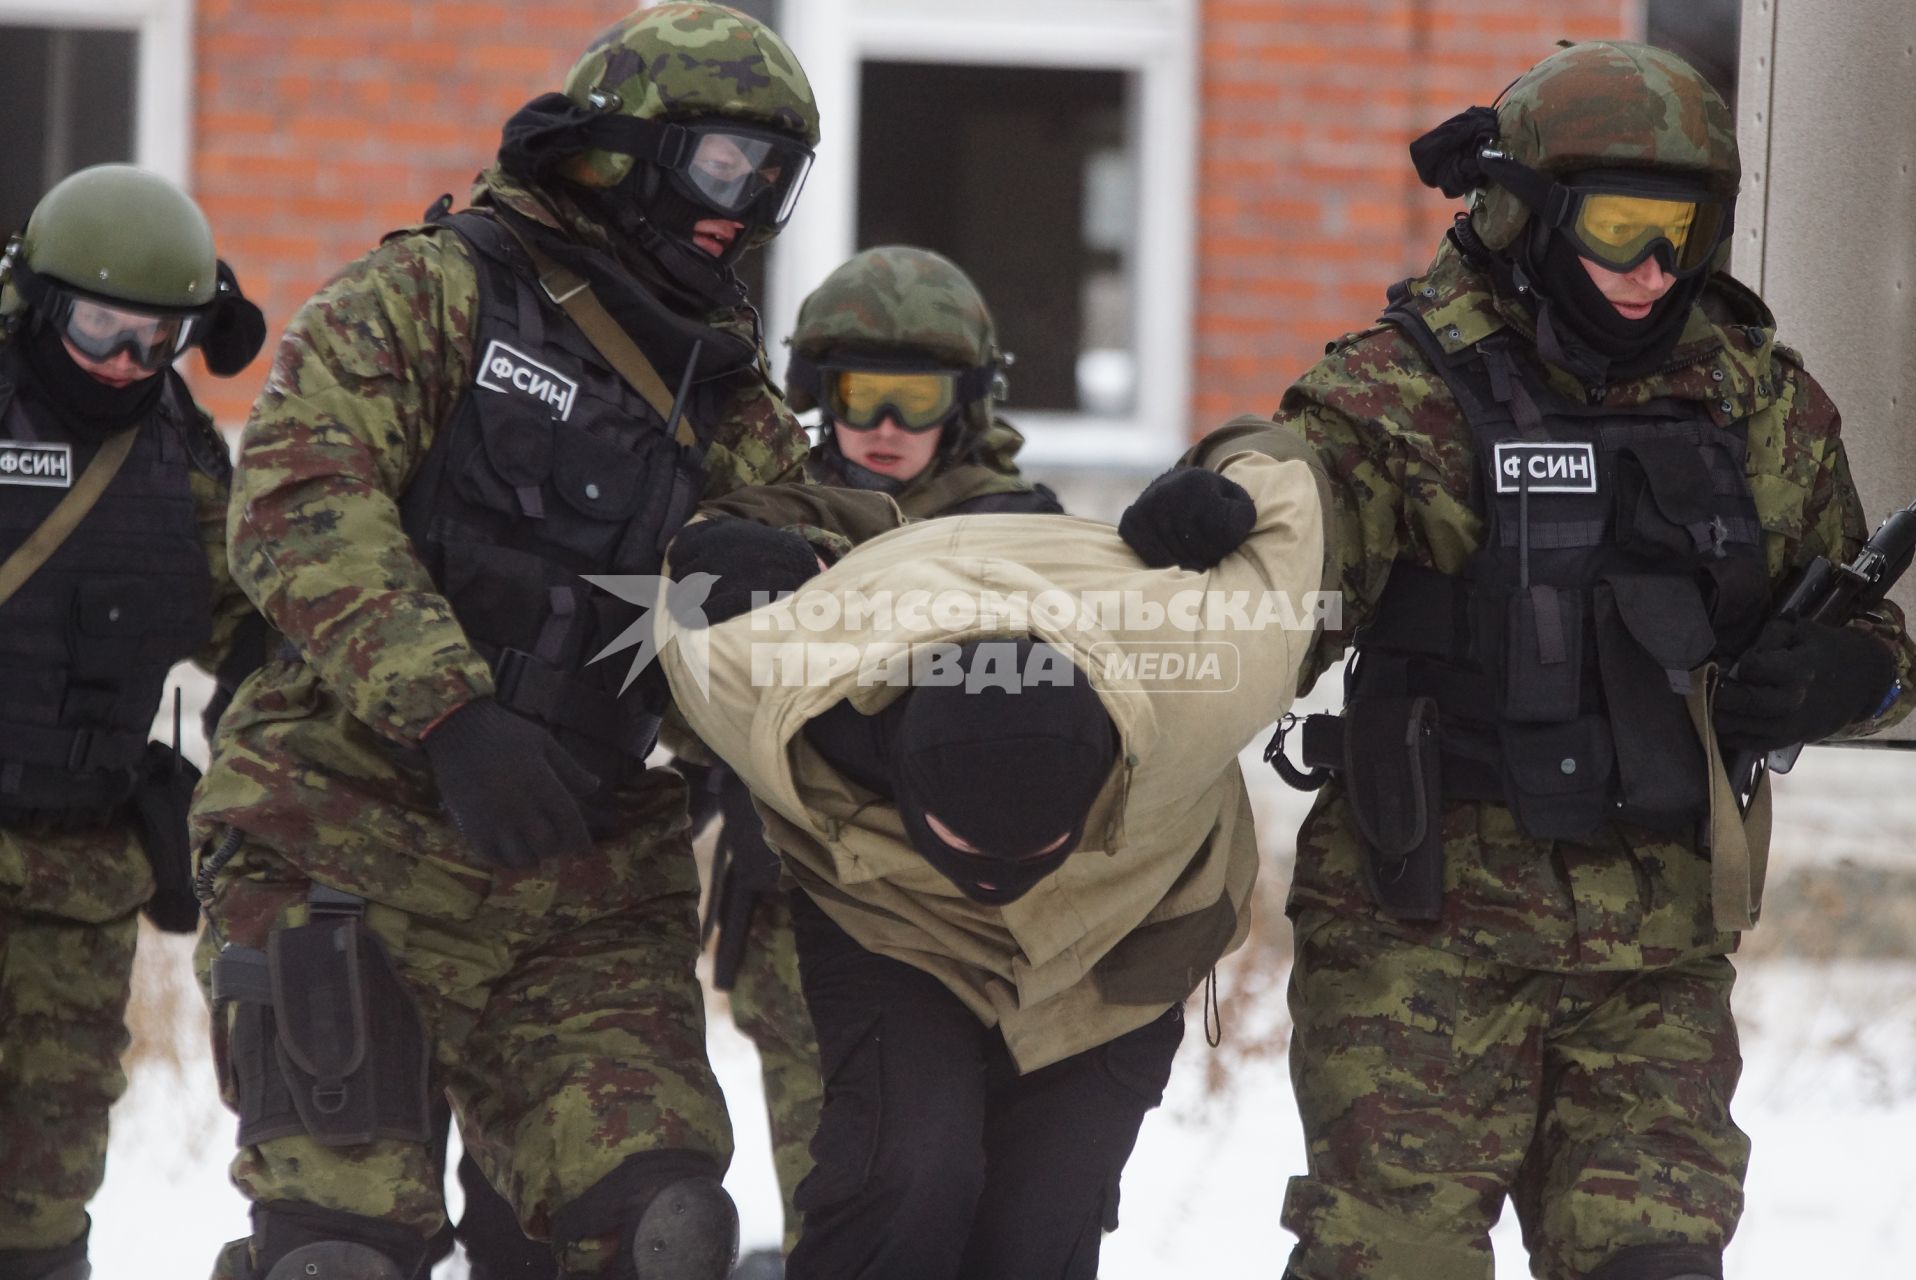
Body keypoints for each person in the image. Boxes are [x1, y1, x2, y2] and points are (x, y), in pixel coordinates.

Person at [188, 6, 897, 1279]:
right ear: (617, 149)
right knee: (340, 1252)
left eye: (779, 177)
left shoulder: (724, 398)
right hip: (340, 832)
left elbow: (837, 601)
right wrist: (451, 715)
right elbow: (297, 496)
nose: (747, 206)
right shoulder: (430, 293)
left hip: (580, 871)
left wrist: (774, 577)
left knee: (659, 1230)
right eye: (728, 162)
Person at [1260, 40, 1915, 1280]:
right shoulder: (1392, 396)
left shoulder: (1754, 401)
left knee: (1654, 1263)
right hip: (1422, 934)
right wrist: (1222, 516)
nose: (1650, 268)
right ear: (1525, 212)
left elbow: (1869, 627)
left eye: (1680, 230)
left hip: (1654, 948)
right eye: (1617, 228)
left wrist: (1857, 676)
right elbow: (1276, 592)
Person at [656, 419, 1333, 1279]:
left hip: (1127, 933)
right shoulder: (769, 679)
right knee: (906, 1174)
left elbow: (1282, 466)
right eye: (965, 847)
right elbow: (689, 561)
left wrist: (1210, 478)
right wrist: (737, 539)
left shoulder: (1213, 670)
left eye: (1043, 846)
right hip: (894, 922)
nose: (998, 886)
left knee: (1042, 1222)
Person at [679, 244, 1062, 1274]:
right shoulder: (760, 513)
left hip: (986, 918)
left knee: (1000, 1211)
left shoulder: (1026, 532)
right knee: (849, 1199)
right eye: (858, 395)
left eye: (916, 395)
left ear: (967, 400)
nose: (885, 426)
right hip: (807, 913)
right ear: (816, 393)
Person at [0, 163, 266, 1280]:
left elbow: (252, 621)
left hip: (78, 874)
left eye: (154, 342)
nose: (123, 363)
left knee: (45, 1179)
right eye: (101, 329)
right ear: (44, 304)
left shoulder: (180, 458)